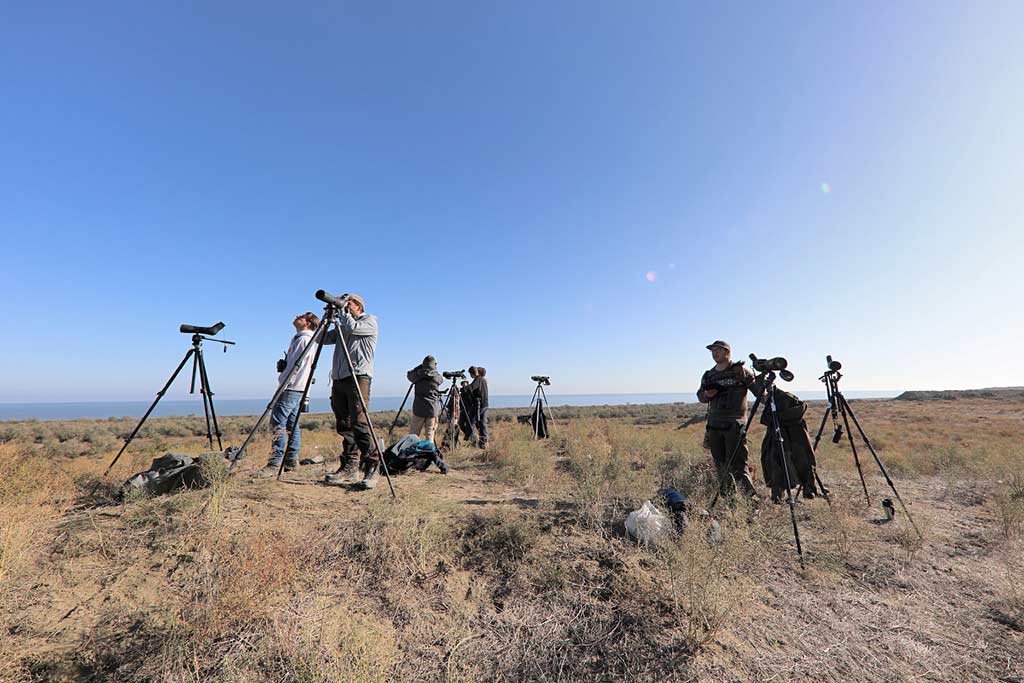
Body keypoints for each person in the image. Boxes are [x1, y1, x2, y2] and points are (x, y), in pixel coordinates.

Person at [321, 294, 380, 489]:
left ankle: (372, 465)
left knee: (359, 422)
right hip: (339, 379)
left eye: (348, 303)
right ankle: (349, 466)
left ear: (358, 306)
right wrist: (324, 320)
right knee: (344, 424)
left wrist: (344, 312)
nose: (344, 306)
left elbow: (354, 328)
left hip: (358, 377)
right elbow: (322, 339)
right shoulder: (343, 325)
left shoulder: (368, 321)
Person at [253, 312, 319, 478]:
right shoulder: (303, 339)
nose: (298, 316)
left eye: (302, 317)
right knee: (291, 423)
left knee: (278, 422)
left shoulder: (303, 339)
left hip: (291, 387)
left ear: (308, 323)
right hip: (298, 387)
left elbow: (296, 366)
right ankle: (291, 460)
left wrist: (284, 380)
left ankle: (275, 463)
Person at [697, 341, 759, 499]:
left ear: (727, 353)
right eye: (713, 351)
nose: (714, 353)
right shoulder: (709, 374)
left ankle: (751, 501)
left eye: (718, 350)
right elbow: (700, 396)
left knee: (739, 465)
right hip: (714, 425)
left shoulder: (740, 371)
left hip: (735, 425)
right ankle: (728, 499)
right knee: (721, 466)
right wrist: (707, 395)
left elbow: (760, 393)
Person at [406, 355, 443, 443]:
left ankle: (411, 453)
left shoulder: (417, 375)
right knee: (430, 435)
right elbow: (441, 380)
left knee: (413, 435)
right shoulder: (436, 377)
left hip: (419, 409)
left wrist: (419, 367)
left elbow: (409, 375)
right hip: (432, 409)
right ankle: (429, 454)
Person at [469, 366, 489, 449]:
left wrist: (464, 389)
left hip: (480, 405)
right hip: (484, 404)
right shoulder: (483, 380)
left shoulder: (478, 380)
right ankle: (483, 442)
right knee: (482, 423)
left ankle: (476, 442)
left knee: (471, 423)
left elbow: (471, 388)